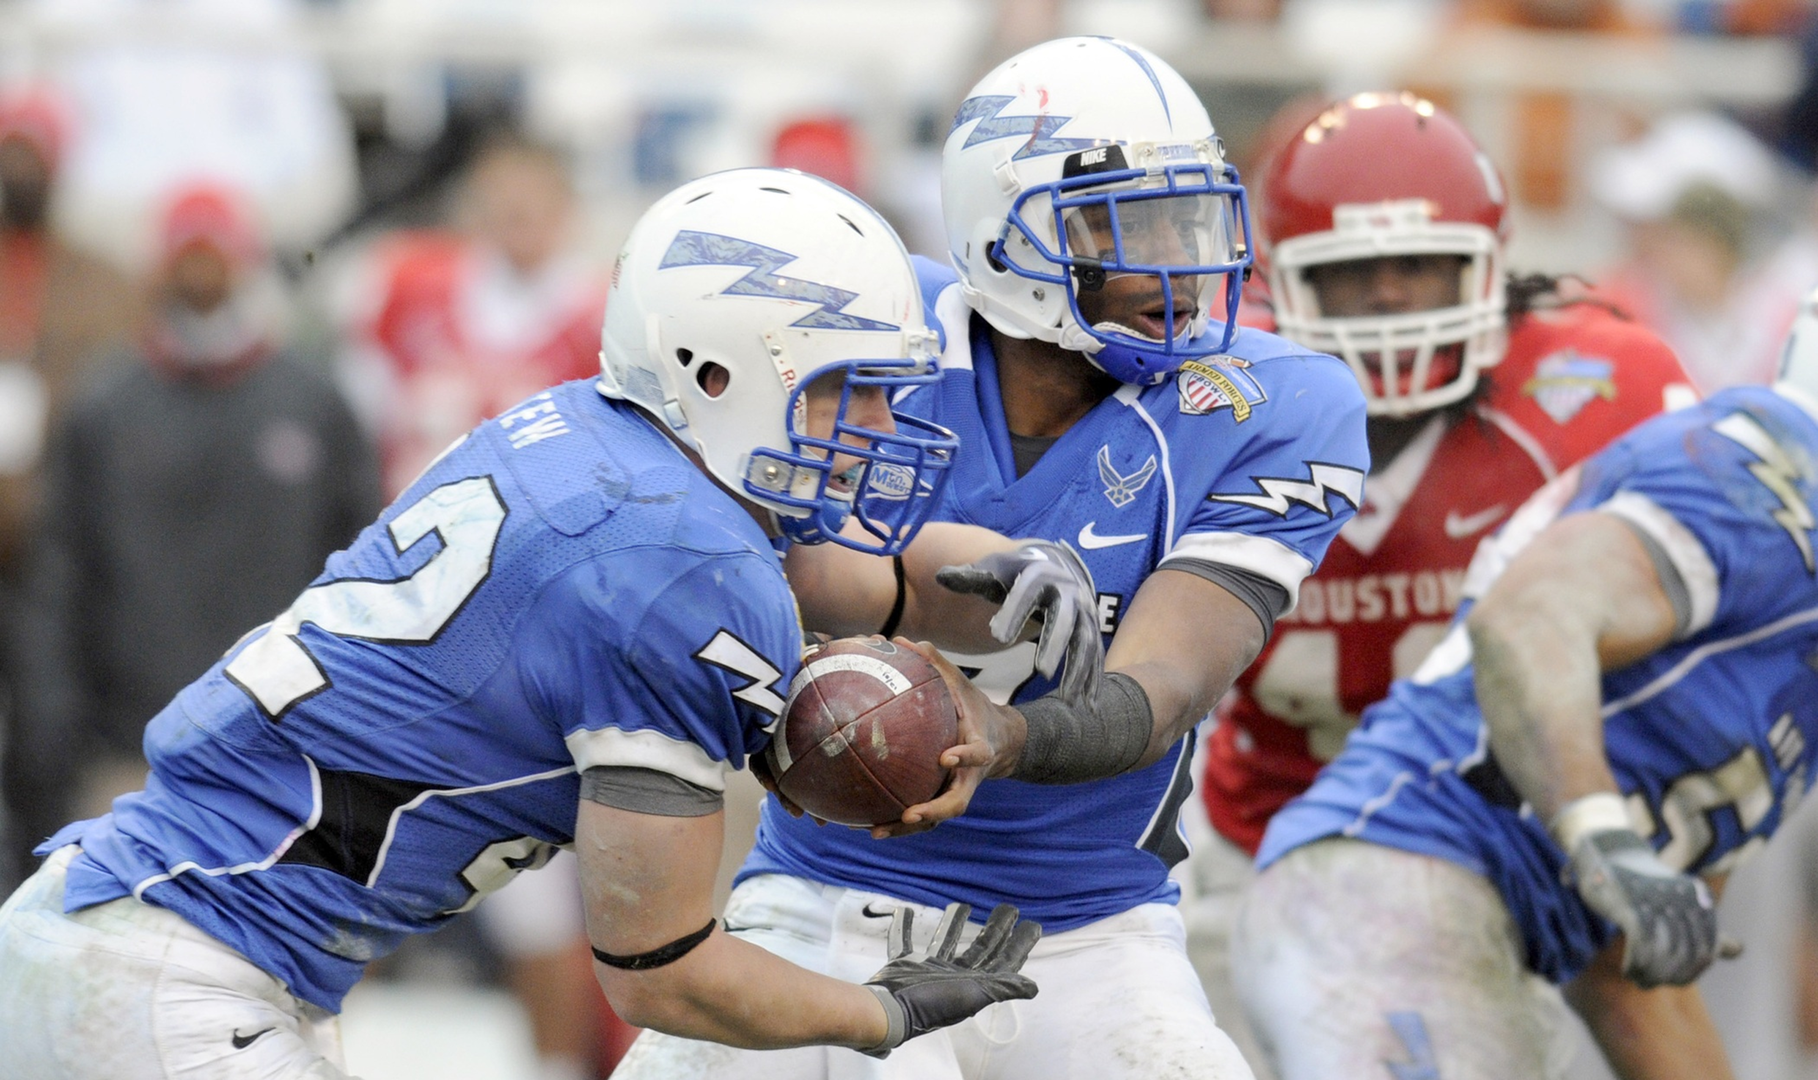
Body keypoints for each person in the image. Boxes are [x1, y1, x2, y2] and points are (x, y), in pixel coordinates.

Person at [0, 168, 1067, 1080]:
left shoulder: (589, 434)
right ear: (716, 371)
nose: (879, 425)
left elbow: (844, 576)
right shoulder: (685, 570)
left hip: (128, 924)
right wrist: (884, 1011)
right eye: (849, 390)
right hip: (175, 980)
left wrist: (1013, 573)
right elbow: (662, 972)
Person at [615, 37, 1370, 1080]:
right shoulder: (869, 329)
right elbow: (729, 548)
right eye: (1126, 225)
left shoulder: (1270, 403)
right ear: (1003, 234)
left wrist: (1003, 736)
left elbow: (1163, 685)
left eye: (1189, 219)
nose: (1179, 264)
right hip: (824, 901)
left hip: (1088, 935)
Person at [1184, 92, 1695, 1072]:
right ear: (1281, 281)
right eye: (1354, 272)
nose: (1389, 298)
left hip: (1503, 847)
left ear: (1489, 266)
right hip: (1265, 838)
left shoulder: (1596, 390)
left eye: (1419, 265)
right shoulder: (1219, 399)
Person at [1229, 287, 1818, 1079]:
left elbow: (1628, 968)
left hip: (1456, 923)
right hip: (1393, 887)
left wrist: (1616, 858)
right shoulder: (1777, 474)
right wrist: (1604, 838)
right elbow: (1527, 619)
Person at [2, 181, 381, 869]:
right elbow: (57, 578)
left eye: (215, 254)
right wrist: (56, 726)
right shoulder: (107, 405)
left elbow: (363, 571)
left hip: (282, 754)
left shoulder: (312, 403)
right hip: (130, 748)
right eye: (187, 254)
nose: (202, 273)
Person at [338, 132, 609, 498]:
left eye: (534, 198)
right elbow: (363, 410)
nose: (518, 210)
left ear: (565, 207)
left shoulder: (599, 313)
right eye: (505, 196)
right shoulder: (410, 284)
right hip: (413, 510)